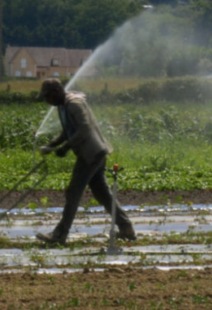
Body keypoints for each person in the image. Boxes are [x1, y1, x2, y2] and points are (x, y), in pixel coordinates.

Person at [35, 78, 136, 245]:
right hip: (92, 153)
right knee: (102, 193)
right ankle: (126, 229)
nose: (47, 101)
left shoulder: (74, 104)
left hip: (91, 154)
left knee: (73, 192)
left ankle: (59, 235)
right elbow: (68, 131)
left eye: (48, 96)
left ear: (57, 92)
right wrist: (52, 145)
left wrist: (66, 147)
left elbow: (84, 128)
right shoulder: (62, 106)